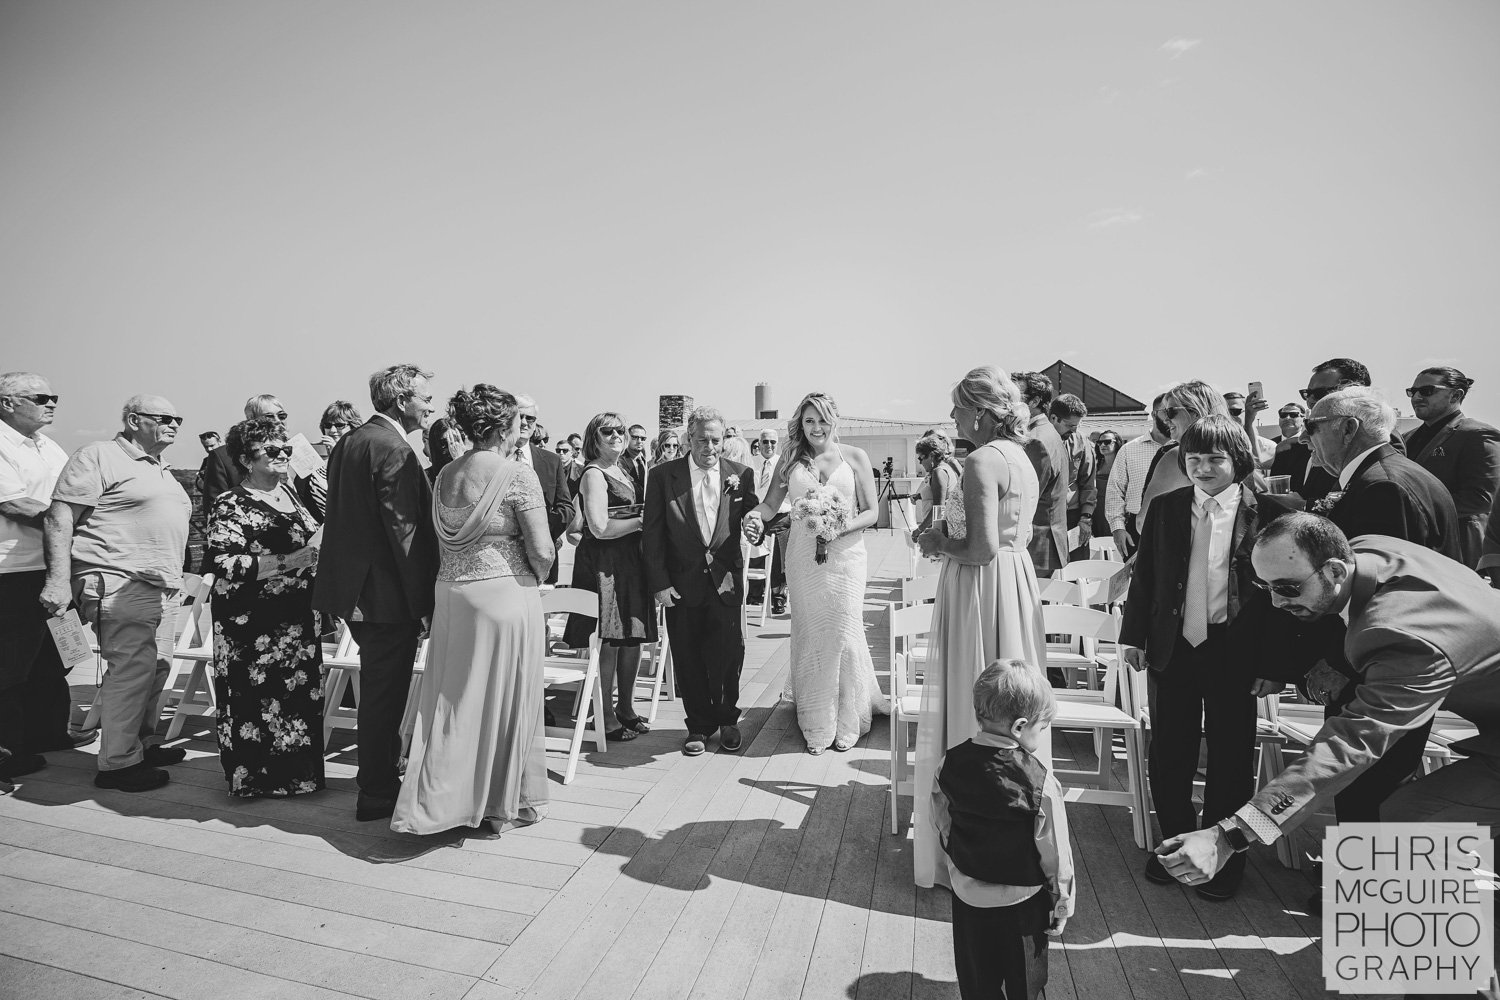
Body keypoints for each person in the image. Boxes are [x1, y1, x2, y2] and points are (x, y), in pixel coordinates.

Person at [1160, 516, 1500, 907]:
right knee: (1401, 826)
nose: (1276, 602)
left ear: (1335, 569)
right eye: (1265, 587)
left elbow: (1345, 749)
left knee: (1407, 832)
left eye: (1287, 588)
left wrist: (1229, 836)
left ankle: (1415, 960)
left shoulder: (1407, 639)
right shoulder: (1370, 547)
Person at [393, 385, 554, 835]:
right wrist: (536, 574)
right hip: (503, 595)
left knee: (453, 701)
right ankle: (495, 803)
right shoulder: (517, 475)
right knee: (504, 701)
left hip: (451, 594)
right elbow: (542, 549)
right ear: (505, 426)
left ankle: (442, 800)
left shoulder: (444, 474)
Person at [911, 365, 1049, 888]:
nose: (951, 416)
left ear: (980, 411)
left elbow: (980, 547)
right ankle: (1016, 820)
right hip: (1014, 583)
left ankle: (966, 834)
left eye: (957, 407)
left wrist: (936, 543)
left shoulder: (981, 461)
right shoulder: (1021, 457)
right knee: (1011, 694)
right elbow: (1012, 537)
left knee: (975, 691)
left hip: (978, 587)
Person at [1121, 415, 1264, 900]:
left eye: (1215, 459)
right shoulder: (1165, 508)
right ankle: (1174, 844)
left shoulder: (1265, 510)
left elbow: (1274, 598)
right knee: (1170, 753)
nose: (1203, 468)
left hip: (1235, 651)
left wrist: (1272, 664)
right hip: (1173, 647)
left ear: (1238, 461)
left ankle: (1224, 856)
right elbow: (1146, 579)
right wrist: (1133, 636)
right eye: (1194, 459)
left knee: (1230, 755)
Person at [41, 395, 193, 792]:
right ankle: (118, 765)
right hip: (117, 580)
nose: (174, 423)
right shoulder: (99, 455)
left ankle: (141, 744)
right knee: (131, 670)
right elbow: (60, 515)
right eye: (164, 417)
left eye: (178, 418)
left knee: (156, 668)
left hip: (162, 586)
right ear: (133, 420)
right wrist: (57, 580)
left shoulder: (160, 467)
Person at [312, 364, 439, 822]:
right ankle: (378, 789)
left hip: (356, 591)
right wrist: (424, 603)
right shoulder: (393, 449)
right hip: (387, 595)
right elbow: (404, 537)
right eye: (425, 397)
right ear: (402, 400)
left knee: (379, 689)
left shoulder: (351, 441)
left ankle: (380, 778)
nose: (431, 405)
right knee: (386, 694)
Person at [746, 392, 887, 753]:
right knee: (810, 630)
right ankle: (816, 717)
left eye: (822, 420)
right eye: (809, 421)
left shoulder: (854, 457)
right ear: (801, 424)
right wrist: (753, 515)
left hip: (846, 555)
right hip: (804, 556)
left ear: (834, 420)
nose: (816, 427)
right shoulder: (790, 460)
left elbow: (872, 512)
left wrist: (840, 528)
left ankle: (848, 714)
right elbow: (770, 504)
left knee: (843, 628)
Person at [929, 660, 1074, 1000]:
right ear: (1021, 726)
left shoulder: (949, 762)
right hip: (1022, 906)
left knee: (977, 982)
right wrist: (1061, 901)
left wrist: (958, 856)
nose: (1043, 733)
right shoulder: (1040, 781)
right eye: (1043, 726)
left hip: (968, 899)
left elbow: (941, 815)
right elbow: (1054, 852)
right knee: (1024, 983)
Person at [205, 416, 324, 797]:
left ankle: (298, 777)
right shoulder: (231, 503)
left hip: (298, 616)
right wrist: (291, 560)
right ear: (245, 458)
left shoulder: (291, 495)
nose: (282, 455)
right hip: (251, 624)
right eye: (271, 451)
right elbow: (223, 562)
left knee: (297, 694)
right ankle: (257, 779)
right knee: (254, 700)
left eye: (285, 449)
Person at [644, 406, 759, 755]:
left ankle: (727, 721)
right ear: (688, 439)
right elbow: (652, 535)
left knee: (728, 655)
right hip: (681, 583)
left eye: (716, 439)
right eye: (702, 439)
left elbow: (755, 517)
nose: (710, 446)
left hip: (725, 580)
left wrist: (758, 527)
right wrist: (660, 584)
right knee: (687, 656)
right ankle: (698, 726)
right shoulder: (664, 476)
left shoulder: (741, 473)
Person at [1, 373, 91, 782]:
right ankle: (9, 749)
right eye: (40, 397)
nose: (52, 402)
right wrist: (67, 523)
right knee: (11, 664)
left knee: (58, 655)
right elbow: (16, 504)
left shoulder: (48, 445)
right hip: (13, 570)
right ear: (7, 402)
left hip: (55, 566)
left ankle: (48, 732)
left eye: (54, 395)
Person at [562, 412, 658, 741]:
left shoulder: (624, 469)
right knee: (610, 640)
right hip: (605, 564)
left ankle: (626, 708)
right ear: (594, 437)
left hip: (631, 561)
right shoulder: (593, 473)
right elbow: (599, 528)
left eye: (620, 430)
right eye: (608, 431)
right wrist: (642, 521)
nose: (617, 435)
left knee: (633, 637)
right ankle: (603, 716)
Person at [1404, 365, 1500, 568]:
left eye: (1427, 391)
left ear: (1455, 395)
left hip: (1461, 552)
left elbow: (1481, 499)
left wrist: (1416, 513)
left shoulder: (1477, 434)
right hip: (1415, 551)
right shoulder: (1406, 438)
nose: (1416, 397)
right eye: (1412, 392)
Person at [1296, 357, 1406, 504]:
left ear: (1355, 390)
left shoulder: (1378, 436)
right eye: (1307, 393)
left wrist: (1305, 506)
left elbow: (1371, 498)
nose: (1310, 400)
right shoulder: (1319, 432)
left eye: (1319, 393)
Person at [1137, 380, 1231, 523]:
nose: (1166, 419)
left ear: (1195, 412)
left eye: (1171, 412)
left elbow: (1144, 522)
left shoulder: (1176, 456)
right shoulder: (1236, 451)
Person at [1012, 372, 1069, 580]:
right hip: (1043, 542)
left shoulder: (1036, 439)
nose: (1008, 401)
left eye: (1014, 395)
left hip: (1037, 544)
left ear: (1035, 401)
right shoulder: (1046, 431)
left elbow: (1025, 496)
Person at [513, 395, 574, 585]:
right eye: (519, 417)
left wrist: (540, 532)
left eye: (529, 418)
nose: (524, 423)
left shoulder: (551, 461)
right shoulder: (495, 458)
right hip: (503, 560)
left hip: (543, 561)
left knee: (543, 614)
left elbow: (566, 508)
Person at [1105, 394, 1169, 558]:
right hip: (1135, 529)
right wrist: (1118, 528)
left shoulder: (1186, 449)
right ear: (1154, 414)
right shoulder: (1129, 449)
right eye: (1166, 411)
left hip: (1177, 526)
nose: (1171, 417)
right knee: (1135, 582)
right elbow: (1115, 490)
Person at [748, 428, 789, 615]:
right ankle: (755, 594)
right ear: (759, 443)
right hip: (759, 516)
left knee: (778, 560)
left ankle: (778, 597)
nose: (769, 445)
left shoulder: (784, 464)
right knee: (755, 556)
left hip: (781, 516)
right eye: (765, 442)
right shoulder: (752, 464)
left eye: (773, 442)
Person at [1050, 394, 1095, 559]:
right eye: (1070, 425)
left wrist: (1086, 517)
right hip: (1044, 519)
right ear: (1053, 418)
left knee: (1077, 571)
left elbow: (1088, 483)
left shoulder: (1081, 441)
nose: (1074, 430)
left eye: (1077, 425)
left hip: (1074, 517)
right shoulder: (1036, 440)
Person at [912, 430, 963, 534]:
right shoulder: (942, 468)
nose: (920, 462)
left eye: (921, 458)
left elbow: (938, 509)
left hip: (937, 530)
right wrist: (920, 496)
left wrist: (919, 529)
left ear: (931, 455)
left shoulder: (938, 472)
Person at [1268, 402, 1313, 495]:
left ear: (1303, 419)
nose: (1287, 418)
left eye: (1293, 415)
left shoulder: (1310, 445)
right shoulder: (1270, 445)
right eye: (1283, 415)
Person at [1090, 430, 1121, 542]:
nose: (1102, 445)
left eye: (1107, 442)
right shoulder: (1095, 464)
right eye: (1099, 442)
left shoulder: (1123, 463)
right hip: (1097, 512)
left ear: (1116, 443)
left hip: (1117, 512)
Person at [623, 423, 650, 499]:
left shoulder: (644, 462)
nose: (639, 441)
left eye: (643, 438)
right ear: (627, 438)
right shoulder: (619, 461)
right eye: (635, 437)